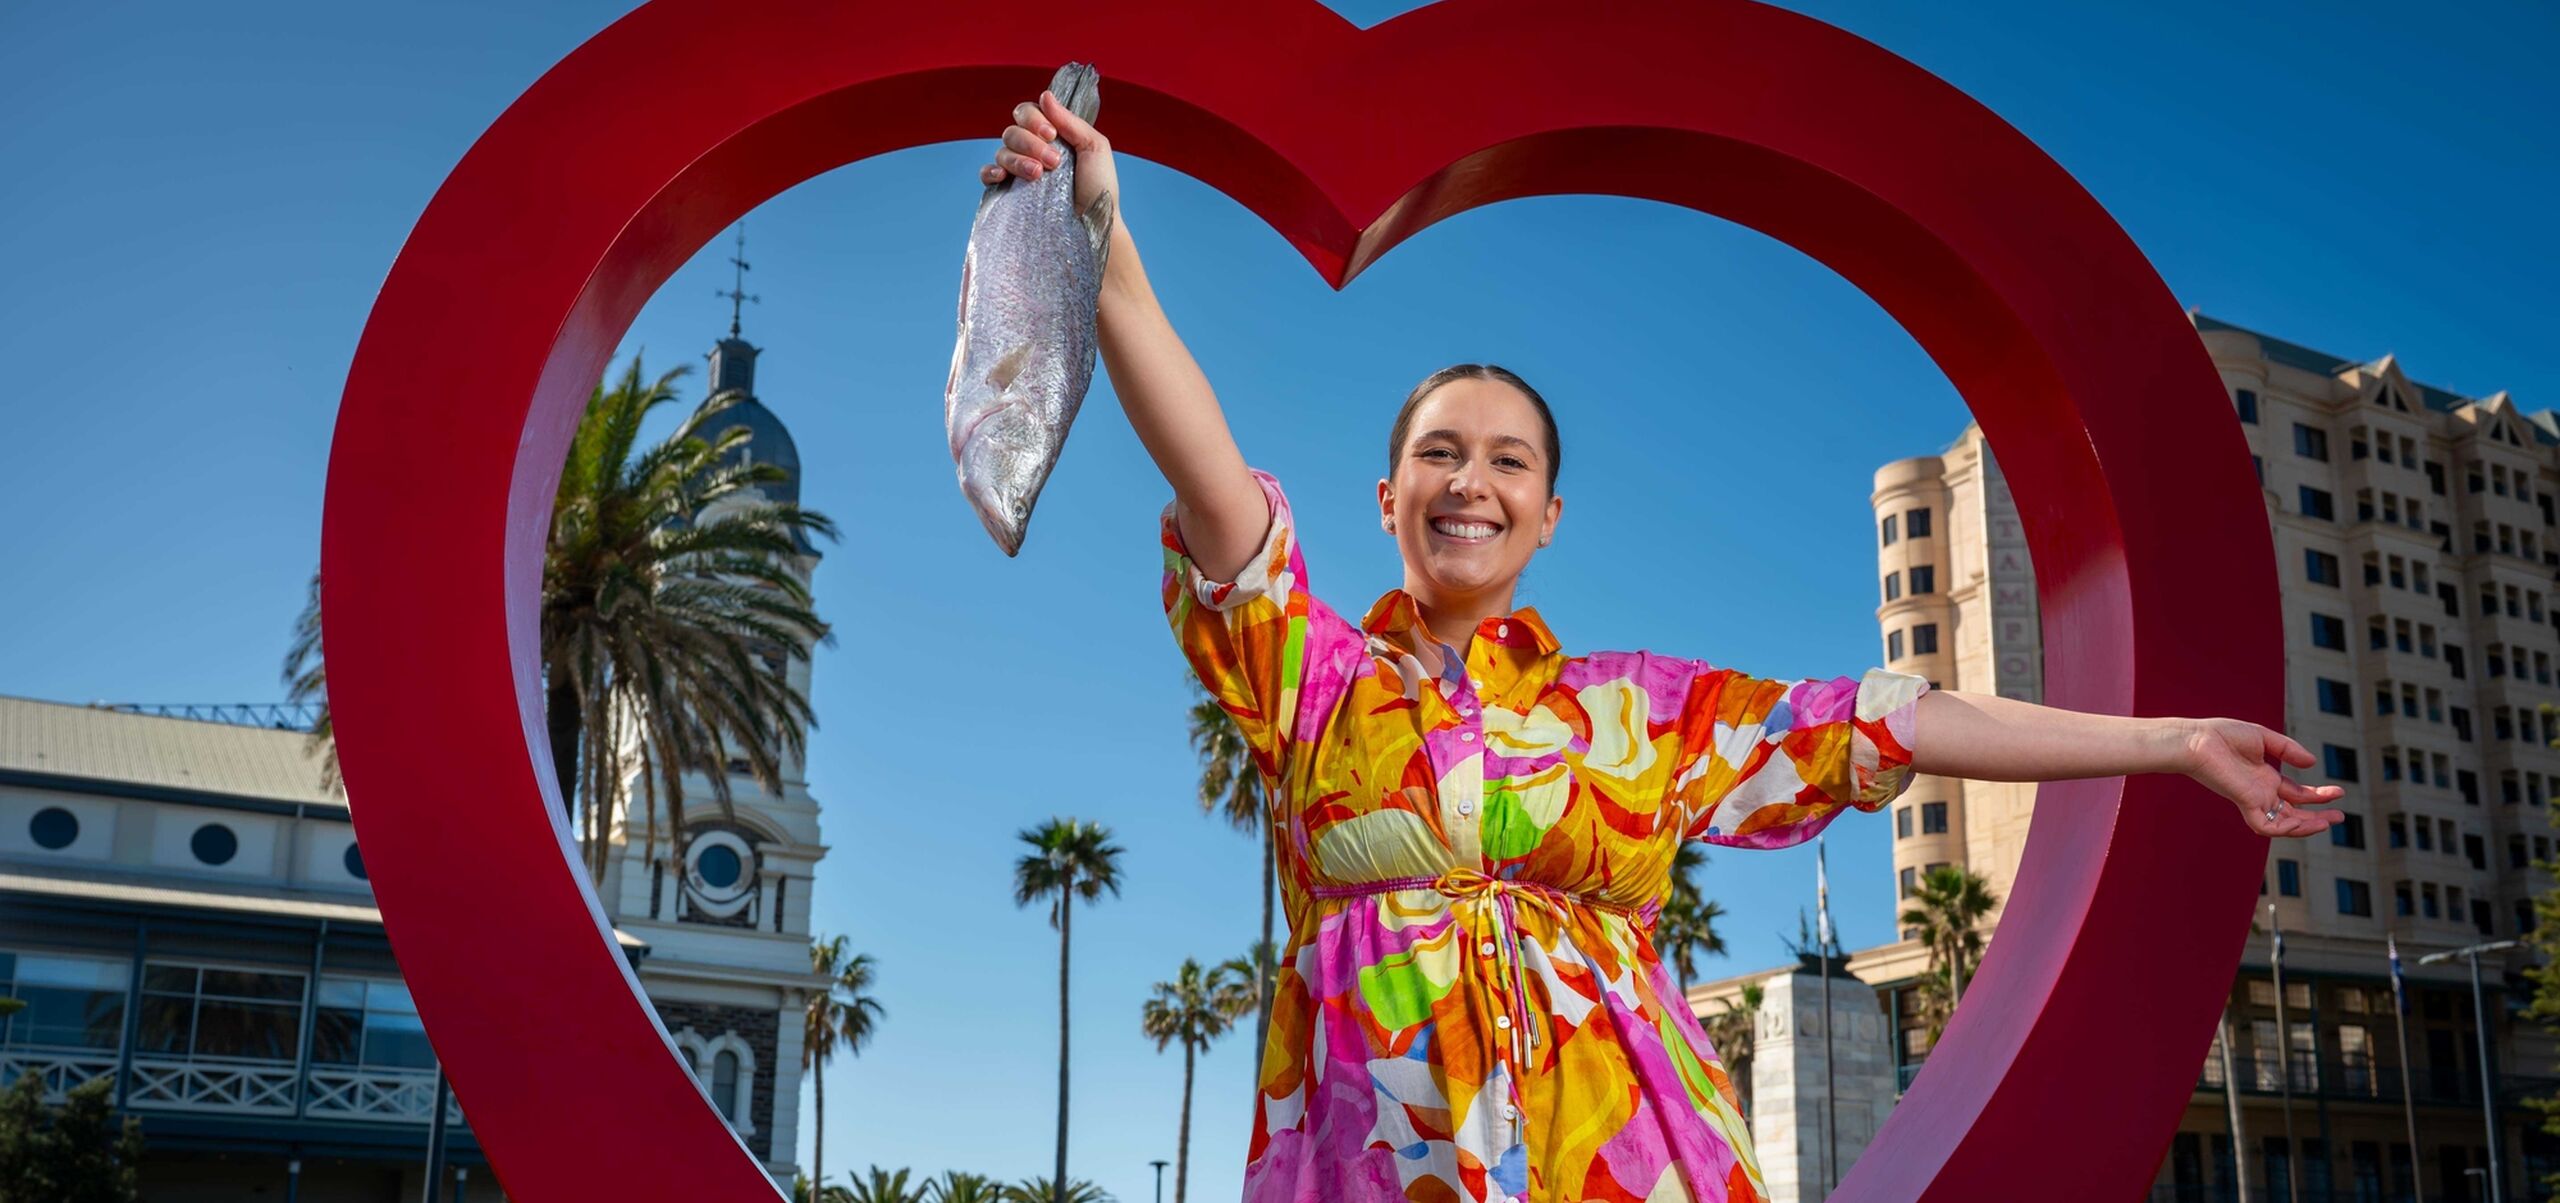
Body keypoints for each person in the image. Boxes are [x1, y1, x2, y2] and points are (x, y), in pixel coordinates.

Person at [980, 90, 2345, 1203]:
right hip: (1377, 1157)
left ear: (1549, 516)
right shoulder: (1311, 680)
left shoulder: (1637, 712)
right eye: (1438, 455)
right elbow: (1212, 474)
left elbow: (1900, 721)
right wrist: (1103, 242)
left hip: (1631, 1162)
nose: (1472, 482)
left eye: (1507, 462)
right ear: (1385, 500)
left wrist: (2168, 741)